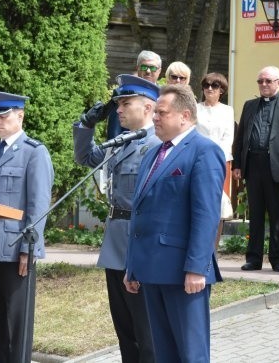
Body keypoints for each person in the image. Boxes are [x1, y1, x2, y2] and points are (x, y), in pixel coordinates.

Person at [124, 85, 225, 361]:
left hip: (183, 272)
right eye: (155, 112)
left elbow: (205, 216)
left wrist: (196, 268)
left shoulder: (204, 151)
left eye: (162, 112)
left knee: (190, 353)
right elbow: (140, 213)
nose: (155, 117)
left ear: (185, 115)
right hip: (151, 269)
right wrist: (133, 265)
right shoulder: (154, 154)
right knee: (164, 352)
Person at [73, 75, 159, 363]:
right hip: (114, 245)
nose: (118, 109)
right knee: (125, 332)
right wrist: (87, 124)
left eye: (125, 103)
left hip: (140, 246)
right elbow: (85, 157)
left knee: (146, 332)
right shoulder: (120, 142)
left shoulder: (157, 146)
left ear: (148, 108)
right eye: (117, 104)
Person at [0, 91, 54, 363]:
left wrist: (28, 249)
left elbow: (38, 204)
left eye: (4, 115)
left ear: (20, 115)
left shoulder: (35, 152)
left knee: (15, 322)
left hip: (14, 248)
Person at [232, 66, 279, 272]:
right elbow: (241, 137)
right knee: (254, 214)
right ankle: (253, 258)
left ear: (278, 83)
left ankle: (278, 259)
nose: (264, 84)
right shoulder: (249, 105)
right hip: (253, 165)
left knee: (277, 215)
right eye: (260, 81)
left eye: (268, 81)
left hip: (278, 167)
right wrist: (238, 163)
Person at [81, 50, 162, 139]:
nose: (148, 71)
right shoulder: (123, 93)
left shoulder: (163, 95)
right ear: (138, 68)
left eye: (153, 68)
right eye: (144, 67)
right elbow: (115, 129)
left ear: (159, 71)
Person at [196, 72, 235, 249]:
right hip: (197, 161)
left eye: (215, 86)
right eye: (206, 85)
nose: (210, 89)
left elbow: (228, 138)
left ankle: (213, 249)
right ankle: (198, 246)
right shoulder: (196, 108)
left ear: (222, 90)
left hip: (220, 161)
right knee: (198, 203)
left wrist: (215, 156)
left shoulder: (227, 110)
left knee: (218, 206)